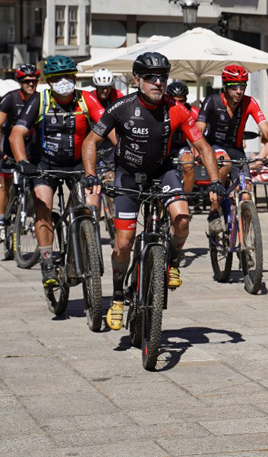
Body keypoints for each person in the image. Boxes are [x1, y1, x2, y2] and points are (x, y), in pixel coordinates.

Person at [81, 52, 224, 331]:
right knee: (124, 243)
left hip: (162, 172)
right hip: (127, 177)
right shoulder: (121, 107)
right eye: (150, 78)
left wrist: (216, 181)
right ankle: (119, 295)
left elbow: (204, 148)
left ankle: (171, 260)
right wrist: (89, 175)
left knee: (182, 220)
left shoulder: (178, 109)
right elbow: (90, 141)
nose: (158, 83)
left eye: (163, 77)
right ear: (137, 80)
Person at [8, 56, 105, 291]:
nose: (64, 82)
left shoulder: (87, 98)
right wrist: (22, 161)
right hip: (45, 164)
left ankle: (85, 246)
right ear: (49, 82)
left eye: (68, 77)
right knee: (43, 206)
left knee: (92, 205)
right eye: (57, 78)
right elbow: (16, 134)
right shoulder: (39, 100)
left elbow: (109, 127)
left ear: (75, 77)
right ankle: (47, 262)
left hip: (79, 164)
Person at [195, 64, 268, 235]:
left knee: (246, 193)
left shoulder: (249, 102)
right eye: (234, 87)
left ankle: (246, 241)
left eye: (242, 86)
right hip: (214, 148)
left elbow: (266, 130)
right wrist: (198, 151)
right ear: (225, 87)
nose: (239, 91)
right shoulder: (212, 101)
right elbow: (199, 128)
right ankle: (214, 210)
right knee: (224, 162)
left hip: (236, 149)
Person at [0, 64, 40, 244]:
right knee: (5, 182)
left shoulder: (39, 98)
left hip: (30, 143)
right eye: (27, 81)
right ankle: (1, 222)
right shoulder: (9, 99)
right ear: (20, 82)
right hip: (9, 144)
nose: (31, 84)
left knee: (36, 183)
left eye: (34, 80)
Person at [167, 80, 203, 192]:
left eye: (181, 101)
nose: (178, 104)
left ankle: (185, 200)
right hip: (163, 146)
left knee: (189, 164)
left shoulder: (194, 113)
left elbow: (200, 135)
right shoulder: (162, 110)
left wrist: (199, 153)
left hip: (180, 145)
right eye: (174, 101)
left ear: (186, 100)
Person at [90, 68, 124, 168]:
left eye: (107, 87)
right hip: (94, 136)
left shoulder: (118, 95)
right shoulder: (90, 97)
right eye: (101, 87)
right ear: (96, 87)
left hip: (112, 138)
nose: (105, 91)